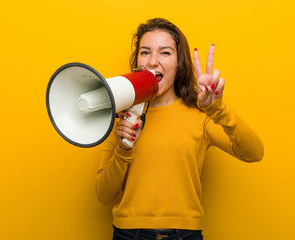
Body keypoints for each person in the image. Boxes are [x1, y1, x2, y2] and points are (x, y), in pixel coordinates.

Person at [95, 18, 264, 240]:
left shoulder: (200, 117)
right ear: (137, 61)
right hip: (128, 234)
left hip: (185, 235)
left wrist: (218, 109)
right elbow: (103, 194)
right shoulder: (122, 118)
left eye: (165, 52)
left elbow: (254, 153)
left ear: (179, 63)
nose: (153, 61)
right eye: (145, 52)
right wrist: (124, 149)